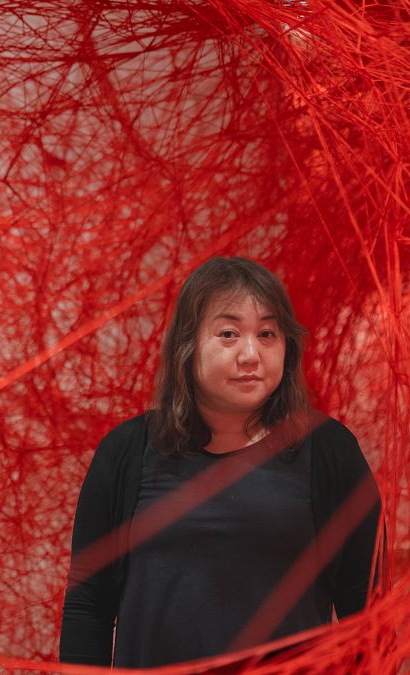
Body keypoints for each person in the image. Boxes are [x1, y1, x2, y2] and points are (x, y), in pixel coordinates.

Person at [59, 257, 382, 668]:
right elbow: (89, 606)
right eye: (228, 334)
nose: (251, 354)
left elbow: (369, 610)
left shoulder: (328, 450)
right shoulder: (126, 451)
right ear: (187, 347)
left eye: (267, 333)